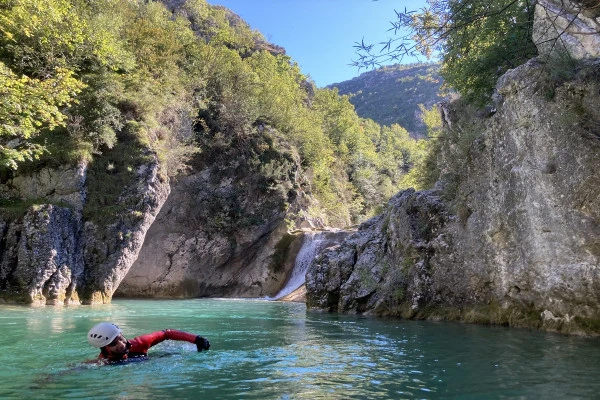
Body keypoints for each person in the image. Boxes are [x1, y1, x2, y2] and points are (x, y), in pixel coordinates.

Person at [87, 322, 210, 363]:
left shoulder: (140, 343)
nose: (121, 344)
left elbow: (167, 333)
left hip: (151, 359)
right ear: (104, 349)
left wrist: (196, 339)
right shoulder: (103, 361)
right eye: (113, 344)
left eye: (120, 338)